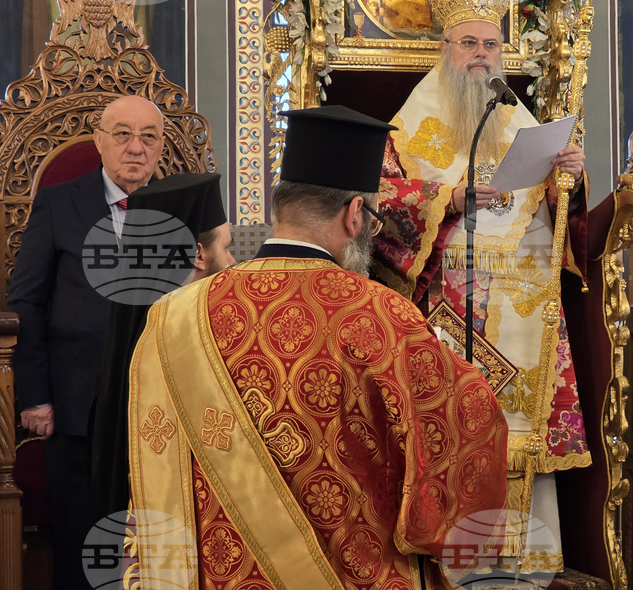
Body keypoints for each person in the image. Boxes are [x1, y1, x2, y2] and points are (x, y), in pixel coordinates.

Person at [128, 105, 508, 589]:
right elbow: (463, 431)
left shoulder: (175, 315)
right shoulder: (383, 316)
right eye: (371, 219)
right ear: (354, 213)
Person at [372, 0, 588, 572]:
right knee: (453, 430)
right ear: (446, 48)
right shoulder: (410, 122)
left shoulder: (514, 112)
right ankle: (456, 567)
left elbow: (554, 212)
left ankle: (526, 566)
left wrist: (565, 178)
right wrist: (451, 199)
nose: (482, 55)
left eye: (492, 44)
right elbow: (378, 204)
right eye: (470, 42)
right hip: (448, 306)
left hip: (522, 309)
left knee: (522, 435)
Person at [7, 94, 164, 589]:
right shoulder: (59, 202)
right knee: (82, 542)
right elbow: (26, 302)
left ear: (160, 149)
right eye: (122, 134)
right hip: (77, 405)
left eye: (148, 137)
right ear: (99, 141)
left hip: (160, 405)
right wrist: (36, 395)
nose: (135, 147)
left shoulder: (184, 206)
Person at [90, 172, 234, 521]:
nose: (232, 262)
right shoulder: (175, 338)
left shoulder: (134, 330)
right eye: (227, 248)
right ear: (198, 254)